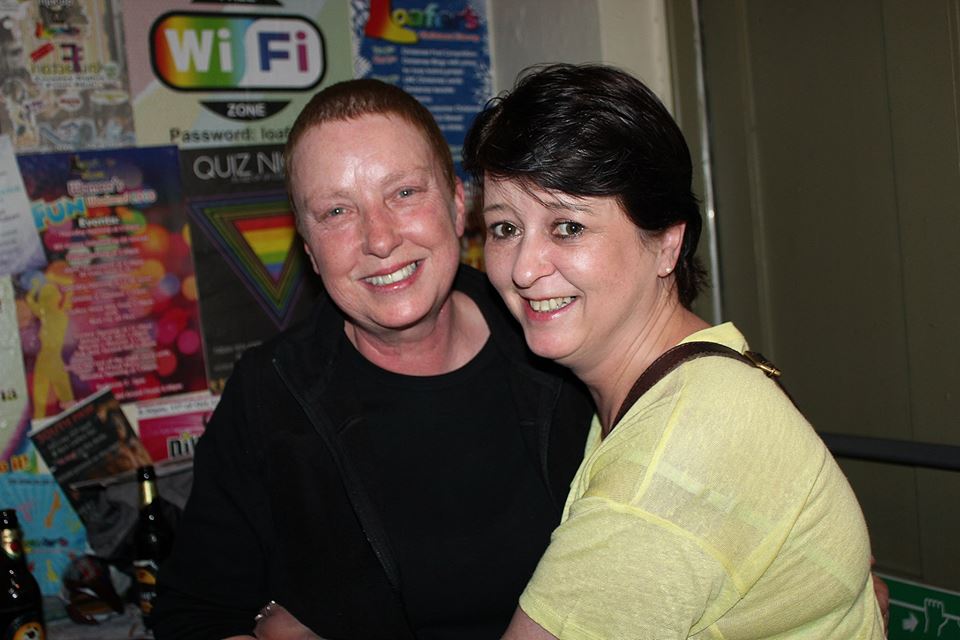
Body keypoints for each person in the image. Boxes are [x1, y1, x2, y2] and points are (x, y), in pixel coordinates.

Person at [151, 79, 594, 640]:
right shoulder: (269, 394)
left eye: (404, 193)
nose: (379, 239)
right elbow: (194, 616)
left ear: (459, 205)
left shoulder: (560, 344)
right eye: (337, 211)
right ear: (309, 249)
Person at [461, 62, 886, 639]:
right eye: (505, 228)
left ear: (666, 243)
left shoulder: (678, 449)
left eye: (568, 227)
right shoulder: (685, 380)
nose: (524, 269)